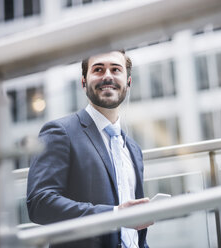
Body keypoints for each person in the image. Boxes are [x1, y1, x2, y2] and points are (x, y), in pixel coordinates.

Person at [27, 50, 150, 248]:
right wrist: (114, 215)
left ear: (128, 82)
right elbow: (40, 203)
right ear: (83, 82)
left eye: (116, 69)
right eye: (98, 69)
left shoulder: (134, 150)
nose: (108, 75)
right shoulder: (60, 132)